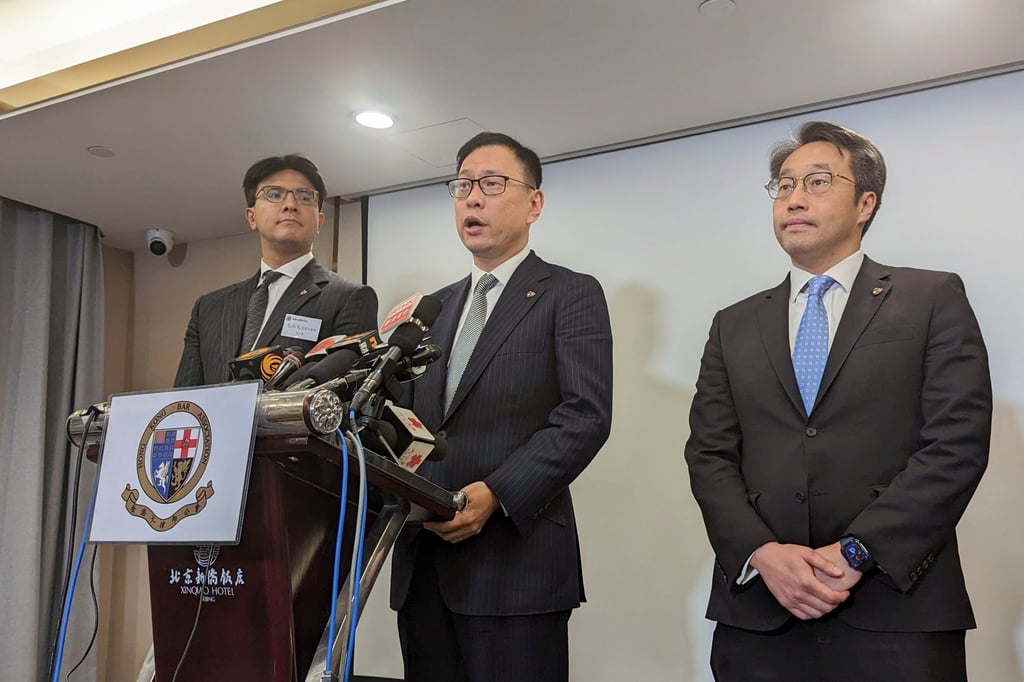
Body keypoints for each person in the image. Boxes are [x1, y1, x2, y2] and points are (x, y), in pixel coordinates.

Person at [684, 121, 991, 681]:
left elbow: (957, 444)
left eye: (818, 181)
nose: (794, 198)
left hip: (897, 610)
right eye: (783, 185)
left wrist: (854, 552)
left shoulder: (931, 297)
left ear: (866, 202)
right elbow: (708, 456)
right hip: (759, 619)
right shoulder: (733, 324)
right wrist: (762, 554)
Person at [389, 132, 613, 681]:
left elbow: (585, 415)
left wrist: (498, 493)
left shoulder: (570, 292)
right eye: (463, 185)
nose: (472, 197)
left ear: (534, 203)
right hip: (426, 566)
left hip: (516, 563)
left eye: (492, 184)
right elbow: (408, 423)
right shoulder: (430, 310)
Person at [174, 154, 377, 387]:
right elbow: (184, 397)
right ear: (252, 217)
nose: (290, 205)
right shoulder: (208, 308)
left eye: (304, 196)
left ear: (320, 221)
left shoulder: (350, 298)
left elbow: (346, 392)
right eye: (274, 194)